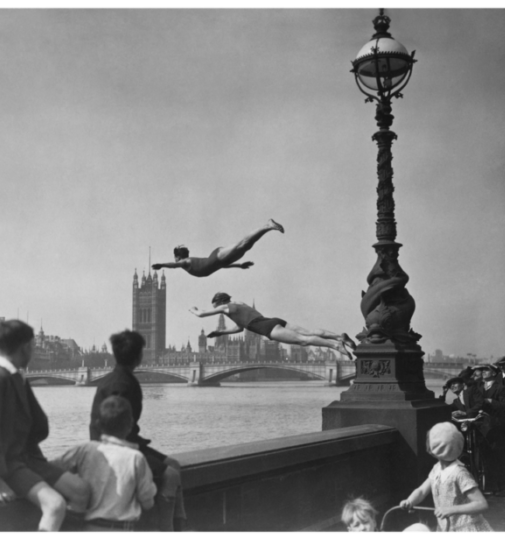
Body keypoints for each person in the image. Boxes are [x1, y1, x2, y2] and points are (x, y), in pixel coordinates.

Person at [0, 320, 90, 535]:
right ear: (24, 347)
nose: (34, 351)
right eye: (33, 346)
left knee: (81, 491)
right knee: (55, 506)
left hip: (28, 460)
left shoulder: (16, 377)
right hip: (7, 465)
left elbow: (37, 425)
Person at [89, 330, 186, 533]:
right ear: (139, 356)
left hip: (124, 441)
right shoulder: (122, 384)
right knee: (171, 475)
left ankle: (180, 527)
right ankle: (168, 529)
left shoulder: (117, 379)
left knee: (175, 465)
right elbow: (113, 427)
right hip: (114, 446)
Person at [55, 396, 156, 533]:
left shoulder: (85, 449)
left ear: (98, 424)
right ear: (130, 425)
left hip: (89, 529)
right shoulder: (136, 458)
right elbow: (147, 502)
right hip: (123, 530)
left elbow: (51, 468)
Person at [189, 292, 356, 358]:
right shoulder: (239, 304)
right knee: (309, 331)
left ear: (220, 302)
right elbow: (240, 327)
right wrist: (220, 333)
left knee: (303, 340)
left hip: (267, 328)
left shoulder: (225, 307)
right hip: (273, 320)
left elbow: (201, 314)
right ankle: (339, 336)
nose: (216, 309)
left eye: (215, 306)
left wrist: (193, 309)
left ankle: (336, 345)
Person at [399, 422, 493, 535]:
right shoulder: (437, 469)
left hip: (465, 528)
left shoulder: (459, 473)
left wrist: (451, 510)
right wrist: (410, 501)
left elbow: (481, 503)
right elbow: (422, 491)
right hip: (447, 527)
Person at [151, 219, 284, 278]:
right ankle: (267, 227)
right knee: (246, 247)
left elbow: (174, 266)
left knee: (242, 243)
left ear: (178, 257)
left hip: (218, 256)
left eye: (176, 259)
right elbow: (217, 267)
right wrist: (239, 266)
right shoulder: (189, 263)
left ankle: (268, 225)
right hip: (221, 261)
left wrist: (161, 265)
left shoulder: (185, 262)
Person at [477, 363, 505, 497]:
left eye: (486, 370)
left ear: (494, 373)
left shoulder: (501, 388)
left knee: (499, 457)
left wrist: (490, 401)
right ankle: (492, 487)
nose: (483, 372)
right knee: (487, 458)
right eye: (482, 370)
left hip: (496, 427)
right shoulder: (479, 387)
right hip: (482, 427)